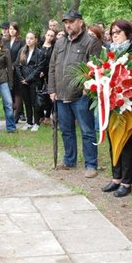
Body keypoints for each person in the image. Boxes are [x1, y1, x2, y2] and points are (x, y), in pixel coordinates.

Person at [48, 10, 102, 178]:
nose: (68, 25)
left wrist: (87, 89)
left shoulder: (90, 42)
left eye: (71, 21)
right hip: (61, 94)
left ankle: (91, 164)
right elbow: (52, 66)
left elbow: (94, 68)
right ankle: (69, 160)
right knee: (66, 130)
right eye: (66, 22)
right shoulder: (60, 42)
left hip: (81, 95)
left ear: (80, 22)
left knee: (87, 131)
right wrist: (52, 89)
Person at [100, 20, 132, 198]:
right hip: (111, 103)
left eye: (118, 32)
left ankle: (127, 182)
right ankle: (116, 177)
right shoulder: (108, 51)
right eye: (112, 33)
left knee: (126, 141)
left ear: (128, 32)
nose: (115, 35)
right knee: (113, 138)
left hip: (128, 103)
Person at [15, 31, 44, 131]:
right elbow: (17, 65)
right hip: (23, 81)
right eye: (27, 38)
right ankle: (29, 122)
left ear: (35, 40)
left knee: (35, 102)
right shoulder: (22, 51)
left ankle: (36, 122)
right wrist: (22, 79)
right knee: (26, 102)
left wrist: (28, 79)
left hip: (34, 81)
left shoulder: (39, 52)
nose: (29, 40)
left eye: (31, 38)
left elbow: (39, 68)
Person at [0, 34, 16, 133]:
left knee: (8, 103)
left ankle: (11, 127)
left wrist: (10, 83)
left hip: (3, 79)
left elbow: (10, 68)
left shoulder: (5, 51)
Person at [4, 21, 25, 123]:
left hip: (17, 70)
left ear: (17, 30)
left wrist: (13, 65)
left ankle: (17, 116)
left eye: (13, 29)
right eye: (10, 29)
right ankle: (10, 115)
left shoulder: (21, 41)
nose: (11, 31)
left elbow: (21, 54)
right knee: (9, 92)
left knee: (18, 93)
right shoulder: (5, 41)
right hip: (6, 71)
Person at [38, 29, 56, 124]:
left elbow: (51, 62)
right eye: (48, 35)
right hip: (37, 73)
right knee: (38, 94)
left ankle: (47, 115)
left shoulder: (53, 48)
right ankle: (40, 115)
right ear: (45, 35)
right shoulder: (39, 46)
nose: (49, 37)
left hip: (48, 74)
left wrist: (44, 72)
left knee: (49, 95)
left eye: (51, 36)